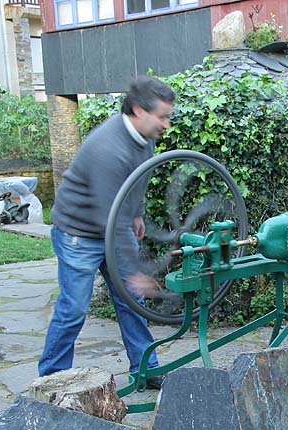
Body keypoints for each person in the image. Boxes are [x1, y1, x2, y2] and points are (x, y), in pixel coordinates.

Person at [38, 76, 175, 389]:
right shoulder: (108, 149)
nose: (166, 123)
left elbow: (137, 180)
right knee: (73, 308)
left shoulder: (145, 137)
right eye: (162, 116)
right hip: (79, 233)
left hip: (111, 223)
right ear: (139, 110)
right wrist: (135, 270)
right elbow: (109, 222)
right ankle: (50, 378)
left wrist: (137, 213)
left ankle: (145, 369)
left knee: (130, 301)